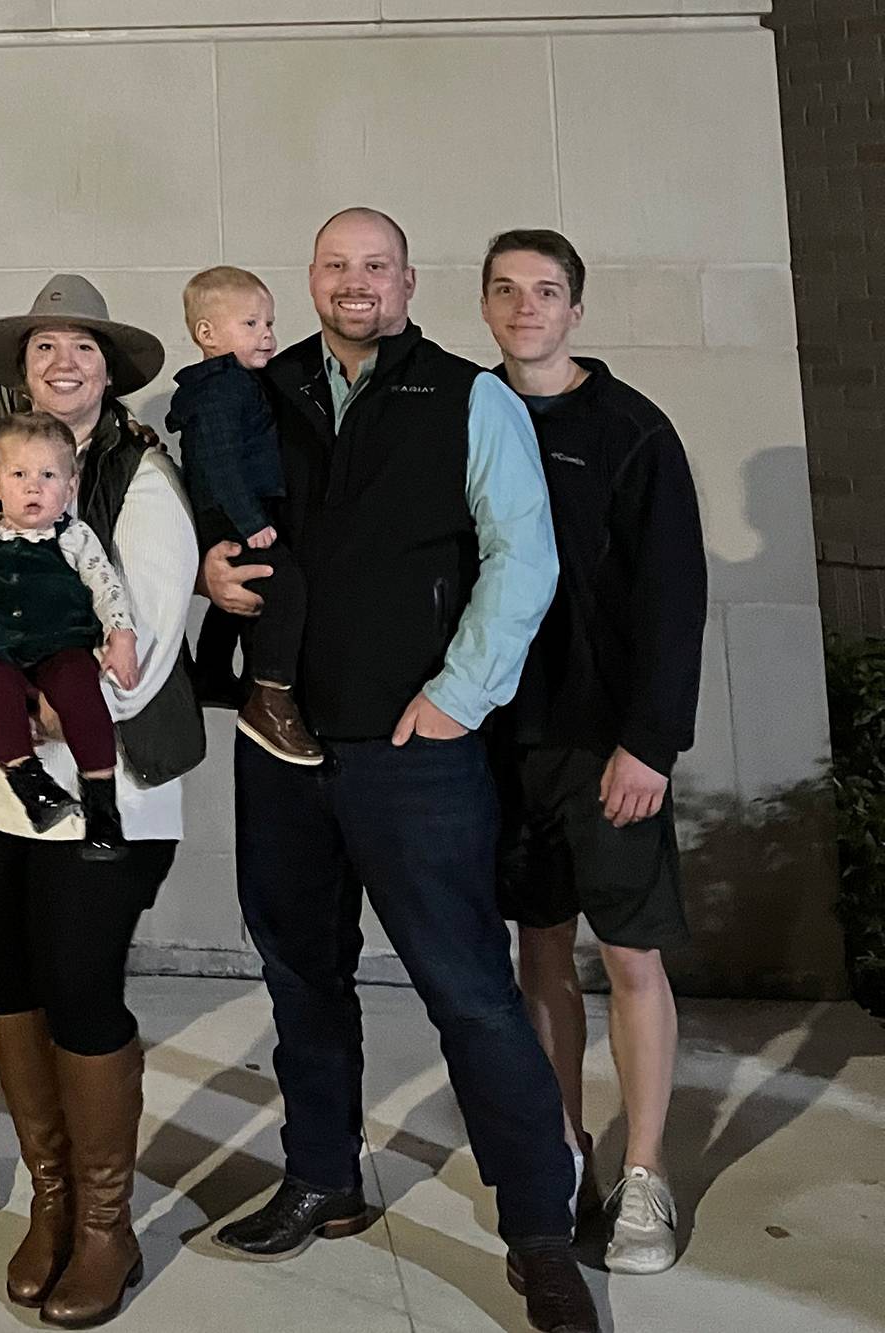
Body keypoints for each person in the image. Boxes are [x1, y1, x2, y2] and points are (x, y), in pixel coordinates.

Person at [207, 208, 598, 1333]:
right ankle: (320, 1176)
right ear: (309, 279)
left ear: (409, 282)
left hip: (413, 752)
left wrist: (458, 696)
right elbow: (209, 511)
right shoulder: (259, 386)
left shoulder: (467, 396)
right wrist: (206, 570)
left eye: (375, 266)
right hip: (279, 743)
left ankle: (538, 1229)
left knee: (470, 993)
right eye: (336, 265)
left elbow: (523, 556)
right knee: (300, 976)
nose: (355, 283)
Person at [0, 274, 198, 1328]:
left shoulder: (142, 475)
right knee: (13, 975)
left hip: (94, 782)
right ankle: (53, 1196)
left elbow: (146, 629)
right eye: (43, 347)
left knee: (81, 987)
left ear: (109, 372)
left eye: (82, 348)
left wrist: (40, 705)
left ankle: (107, 1223)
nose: (62, 362)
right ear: (20, 370)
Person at [481, 228, 706, 1276]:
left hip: (608, 746)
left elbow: (672, 596)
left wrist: (648, 742)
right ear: (485, 306)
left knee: (628, 955)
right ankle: (564, 1150)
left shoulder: (631, 430)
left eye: (545, 290)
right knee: (537, 950)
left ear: (575, 309)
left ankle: (646, 1171)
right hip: (501, 741)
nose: (525, 306)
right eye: (506, 289)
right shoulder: (464, 415)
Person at [0, 410, 138, 849]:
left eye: (48, 475)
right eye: (20, 474)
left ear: (70, 487)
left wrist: (121, 634)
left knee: (82, 692)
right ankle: (30, 784)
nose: (34, 486)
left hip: (61, 646)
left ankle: (102, 805)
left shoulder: (75, 537)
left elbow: (107, 587)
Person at [168, 266, 318, 764]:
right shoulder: (222, 389)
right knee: (283, 585)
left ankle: (211, 672)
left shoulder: (233, 383)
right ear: (206, 334)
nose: (267, 335)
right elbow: (221, 462)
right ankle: (271, 694)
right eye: (251, 324)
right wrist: (251, 521)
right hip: (232, 512)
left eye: (269, 323)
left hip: (233, 509)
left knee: (235, 595)